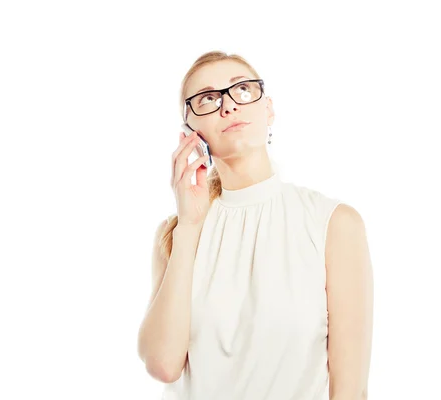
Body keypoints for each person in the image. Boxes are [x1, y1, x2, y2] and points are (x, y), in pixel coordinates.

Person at [136, 51, 374, 399]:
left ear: (269, 109)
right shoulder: (176, 234)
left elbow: (350, 389)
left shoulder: (334, 224)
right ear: (190, 131)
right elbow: (162, 364)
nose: (228, 106)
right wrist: (188, 224)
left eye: (242, 90)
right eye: (207, 98)